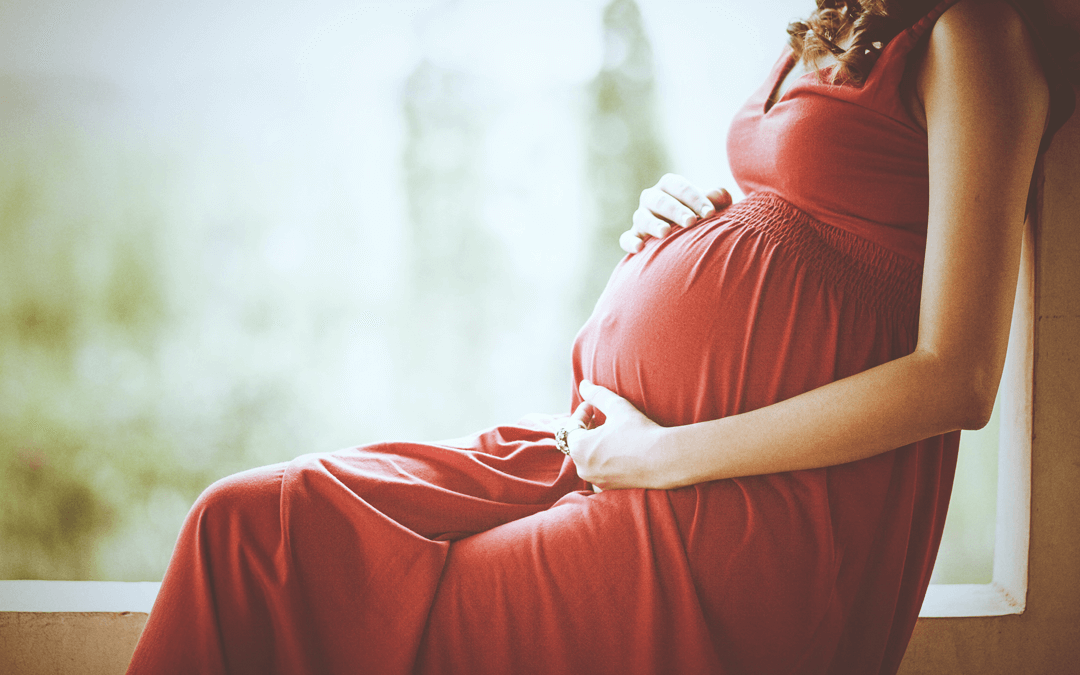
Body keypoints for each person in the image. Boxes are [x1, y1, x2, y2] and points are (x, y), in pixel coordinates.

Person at [126, 1, 1077, 673]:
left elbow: (958, 376)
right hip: (612, 452)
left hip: (742, 511)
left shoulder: (973, 35)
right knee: (251, 526)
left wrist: (665, 453)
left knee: (401, 610)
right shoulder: (838, 21)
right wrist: (692, 218)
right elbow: (814, 217)